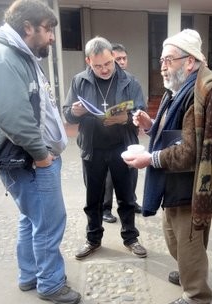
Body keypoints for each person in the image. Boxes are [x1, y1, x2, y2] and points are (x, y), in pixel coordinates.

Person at [0, 0, 80, 304]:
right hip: (29, 160)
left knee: (31, 219)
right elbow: (12, 118)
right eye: (48, 30)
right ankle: (50, 283)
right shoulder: (5, 57)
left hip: (27, 159)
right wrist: (43, 156)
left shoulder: (18, 54)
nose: (52, 38)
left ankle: (30, 275)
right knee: (49, 220)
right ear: (28, 28)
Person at [124, 29, 212, 304]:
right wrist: (150, 125)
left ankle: (197, 294)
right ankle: (188, 270)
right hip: (173, 180)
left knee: (188, 241)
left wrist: (150, 158)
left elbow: (190, 151)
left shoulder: (204, 92)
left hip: (191, 183)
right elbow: (172, 134)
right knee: (174, 236)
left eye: (168, 59)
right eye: (161, 59)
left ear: (189, 61)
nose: (162, 65)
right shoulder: (180, 89)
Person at [63, 36, 147, 260]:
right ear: (88, 60)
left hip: (123, 147)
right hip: (93, 148)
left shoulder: (130, 81)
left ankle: (130, 237)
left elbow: (140, 113)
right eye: (98, 65)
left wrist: (127, 119)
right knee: (94, 198)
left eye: (108, 63)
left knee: (127, 197)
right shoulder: (79, 81)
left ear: (113, 57)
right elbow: (67, 113)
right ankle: (93, 239)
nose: (104, 69)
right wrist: (75, 112)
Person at [102, 43, 142, 223]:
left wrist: (130, 116)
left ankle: (131, 201)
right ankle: (105, 208)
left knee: (131, 169)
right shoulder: (104, 82)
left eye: (124, 58)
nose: (122, 62)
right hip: (107, 135)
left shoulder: (132, 81)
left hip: (128, 134)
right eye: (118, 59)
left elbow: (140, 106)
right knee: (109, 174)